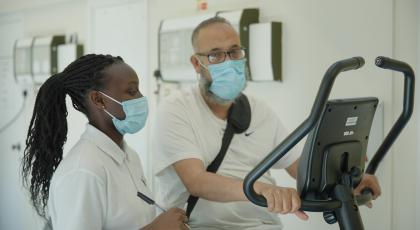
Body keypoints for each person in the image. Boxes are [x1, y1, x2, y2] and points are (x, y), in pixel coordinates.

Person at [153, 17, 382, 229]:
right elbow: (196, 181)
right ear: (196, 63)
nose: (228, 62)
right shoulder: (176, 110)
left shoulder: (258, 110)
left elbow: (300, 168)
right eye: (215, 55)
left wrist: (349, 180)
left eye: (234, 52)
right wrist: (263, 189)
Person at [22, 54, 189, 230]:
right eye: (132, 91)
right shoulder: (83, 171)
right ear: (99, 100)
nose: (141, 98)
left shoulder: (129, 156)